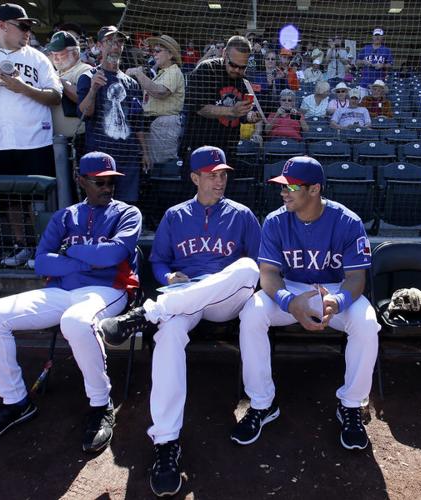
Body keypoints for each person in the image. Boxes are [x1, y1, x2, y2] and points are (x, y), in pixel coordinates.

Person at [98, 145, 261, 497]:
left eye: (223, 175)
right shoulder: (174, 215)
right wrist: (169, 276)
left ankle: (146, 314)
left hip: (226, 301)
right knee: (169, 333)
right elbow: (158, 263)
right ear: (194, 177)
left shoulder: (243, 214)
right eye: (212, 175)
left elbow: (259, 270)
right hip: (185, 300)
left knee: (246, 268)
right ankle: (166, 442)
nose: (220, 181)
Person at [0, 151, 142, 452]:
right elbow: (42, 264)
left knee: (77, 320)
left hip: (107, 290)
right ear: (80, 181)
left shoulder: (127, 213)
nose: (106, 187)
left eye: (110, 181)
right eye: (98, 182)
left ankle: (101, 405)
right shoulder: (65, 216)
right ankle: (16, 402)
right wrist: (87, 260)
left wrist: (69, 253)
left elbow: (113, 256)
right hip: (60, 291)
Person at [234, 155, 380, 451]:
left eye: (291, 187)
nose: (283, 192)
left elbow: (356, 279)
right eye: (282, 186)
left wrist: (337, 302)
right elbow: (269, 275)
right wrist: (290, 302)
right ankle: (261, 404)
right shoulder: (276, 220)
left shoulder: (348, 222)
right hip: (292, 289)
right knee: (252, 313)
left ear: (314, 189)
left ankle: (351, 405)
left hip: (335, 290)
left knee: (366, 322)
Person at [0, 3, 63, 267]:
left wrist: (22, 87)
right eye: (23, 26)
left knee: (40, 199)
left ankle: (44, 247)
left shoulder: (37, 57)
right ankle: (22, 245)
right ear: (2, 26)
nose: (28, 32)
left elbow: (55, 95)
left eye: (29, 27)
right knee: (9, 202)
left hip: (35, 139)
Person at [77, 25, 150, 203]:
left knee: (127, 205)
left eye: (119, 42)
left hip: (128, 156)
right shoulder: (88, 77)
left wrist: (145, 152)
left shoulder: (131, 83)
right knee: (100, 205)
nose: (116, 46)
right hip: (100, 156)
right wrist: (94, 89)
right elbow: (85, 113)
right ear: (100, 46)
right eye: (110, 41)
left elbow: (137, 121)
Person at [181, 36, 260, 168]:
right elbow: (199, 107)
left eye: (242, 67)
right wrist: (232, 111)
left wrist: (249, 116)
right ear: (224, 54)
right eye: (233, 65)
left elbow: (240, 115)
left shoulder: (243, 79)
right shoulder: (206, 70)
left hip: (227, 151)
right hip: (200, 148)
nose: (237, 70)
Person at [126, 34, 185, 164]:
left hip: (165, 124)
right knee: (152, 168)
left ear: (170, 55)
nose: (154, 54)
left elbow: (160, 92)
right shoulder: (161, 72)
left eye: (158, 51)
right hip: (154, 124)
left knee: (162, 168)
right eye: (153, 51)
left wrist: (138, 73)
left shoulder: (173, 71)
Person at [47, 31, 92, 144]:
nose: (55, 59)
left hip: (77, 139)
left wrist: (59, 81)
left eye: (60, 54)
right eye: (53, 54)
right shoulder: (54, 73)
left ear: (76, 53)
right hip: (56, 140)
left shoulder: (85, 70)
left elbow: (84, 100)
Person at [356, 28, 393, 98]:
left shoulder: (386, 50)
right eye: (376, 35)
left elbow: (390, 65)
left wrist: (382, 65)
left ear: (382, 37)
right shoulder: (365, 48)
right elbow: (357, 62)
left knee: (377, 106)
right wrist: (364, 62)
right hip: (365, 83)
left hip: (379, 84)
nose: (377, 37)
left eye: (379, 35)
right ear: (373, 37)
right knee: (363, 104)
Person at [250, 49, 288, 113]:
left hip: (279, 111)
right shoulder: (257, 77)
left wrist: (283, 79)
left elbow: (287, 94)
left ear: (276, 61)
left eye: (273, 59)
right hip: (261, 111)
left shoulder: (281, 76)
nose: (270, 61)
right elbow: (257, 97)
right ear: (264, 61)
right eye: (268, 59)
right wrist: (269, 85)